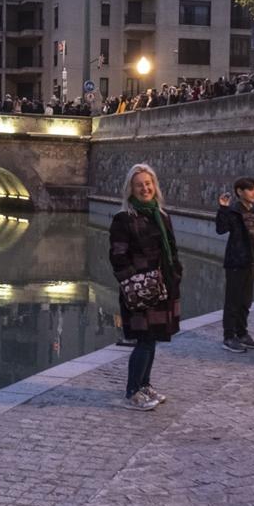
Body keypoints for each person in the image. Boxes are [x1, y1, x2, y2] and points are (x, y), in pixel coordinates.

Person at [109, 163, 182, 411]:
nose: (145, 188)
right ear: (130, 189)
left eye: (148, 184)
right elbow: (118, 257)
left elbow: (171, 249)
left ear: (155, 186)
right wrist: (133, 282)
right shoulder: (124, 219)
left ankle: (145, 385)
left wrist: (176, 276)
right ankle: (132, 392)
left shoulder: (161, 216)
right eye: (139, 185)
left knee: (153, 339)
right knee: (144, 340)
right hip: (139, 291)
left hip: (162, 289)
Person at [216, 177, 254, 353]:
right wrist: (222, 208)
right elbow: (221, 229)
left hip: (250, 263)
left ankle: (242, 334)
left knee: (245, 301)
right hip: (235, 263)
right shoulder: (232, 211)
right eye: (251, 189)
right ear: (240, 191)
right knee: (233, 301)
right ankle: (228, 337)